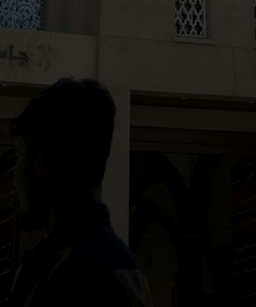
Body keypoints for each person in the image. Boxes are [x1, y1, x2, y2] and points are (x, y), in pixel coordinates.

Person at [8, 78, 152, 306]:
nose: (15, 178)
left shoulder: (75, 274)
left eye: (18, 156)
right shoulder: (124, 267)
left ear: (38, 162)